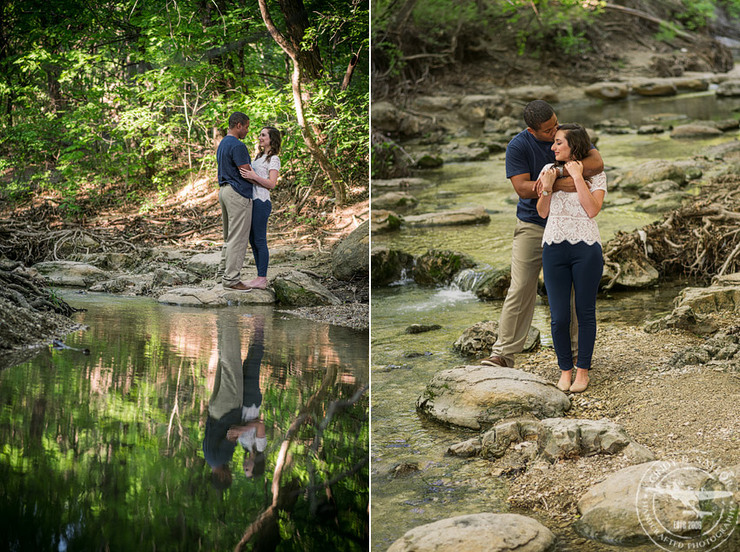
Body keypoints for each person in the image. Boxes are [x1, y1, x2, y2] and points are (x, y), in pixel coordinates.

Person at [480, 100, 604, 369]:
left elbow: (596, 164)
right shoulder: (518, 146)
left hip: (569, 226)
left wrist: (553, 176)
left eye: (556, 124)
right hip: (532, 224)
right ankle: (503, 354)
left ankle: (574, 353)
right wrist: (566, 180)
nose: (554, 133)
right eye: (548, 131)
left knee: (569, 289)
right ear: (531, 130)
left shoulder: (567, 136)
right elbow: (523, 189)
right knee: (522, 285)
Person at [536, 123, 606, 393]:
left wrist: (578, 178)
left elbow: (592, 210)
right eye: (553, 143)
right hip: (554, 247)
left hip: (586, 248)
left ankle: (582, 372)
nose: (553, 147)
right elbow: (542, 212)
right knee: (559, 316)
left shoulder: (596, 175)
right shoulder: (548, 171)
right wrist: (548, 187)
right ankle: (565, 370)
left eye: (558, 143)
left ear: (573, 146)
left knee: (585, 312)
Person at [238, 126, 281, 290]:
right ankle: (259, 277)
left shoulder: (274, 159)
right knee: (252, 239)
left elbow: (271, 184)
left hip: (262, 201)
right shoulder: (258, 157)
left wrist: (254, 176)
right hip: (252, 200)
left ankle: (262, 278)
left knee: (260, 239)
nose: (260, 137)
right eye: (260, 135)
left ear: (271, 139)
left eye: (263, 135)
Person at [217, 111, 253, 291]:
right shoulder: (238, 145)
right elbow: (245, 171)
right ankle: (231, 279)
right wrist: (265, 182)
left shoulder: (223, 143)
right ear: (238, 125)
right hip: (237, 192)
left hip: (223, 191)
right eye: (246, 127)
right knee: (238, 238)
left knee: (229, 236)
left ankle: (221, 274)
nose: (247, 130)